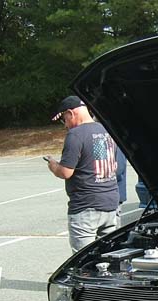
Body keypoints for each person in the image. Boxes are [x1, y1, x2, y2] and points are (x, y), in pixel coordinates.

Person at [45, 96, 120, 252]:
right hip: (111, 202)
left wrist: (53, 165)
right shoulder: (106, 130)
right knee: (109, 255)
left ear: (70, 113)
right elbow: (115, 165)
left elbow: (65, 172)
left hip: (86, 206)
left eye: (64, 119)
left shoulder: (75, 135)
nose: (65, 125)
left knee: (83, 258)